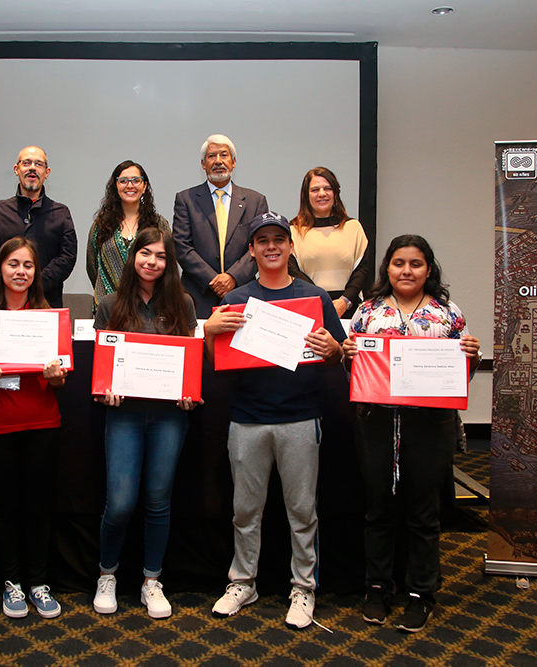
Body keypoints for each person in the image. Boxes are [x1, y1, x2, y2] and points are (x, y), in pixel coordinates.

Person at [202, 212, 346, 630]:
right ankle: (242, 582)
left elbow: (335, 356)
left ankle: (303, 588)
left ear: (289, 246)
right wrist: (210, 331)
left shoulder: (314, 296)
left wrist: (330, 348)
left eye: (278, 239)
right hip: (247, 420)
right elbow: (217, 364)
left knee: (302, 511)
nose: (271, 246)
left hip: (301, 418)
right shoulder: (235, 301)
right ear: (251, 249)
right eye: (262, 240)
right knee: (245, 510)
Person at [343, 234, 480, 633]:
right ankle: (376, 588)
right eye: (399, 263)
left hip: (429, 426)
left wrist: (471, 356)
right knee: (378, 509)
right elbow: (354, 373)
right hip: (377, 423)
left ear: (428, 269)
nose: (406, 270)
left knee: (424, 512)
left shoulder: (447, 312)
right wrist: (349, 357)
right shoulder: (368, 313)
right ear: (387, 268)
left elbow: (462, 375)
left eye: (415, 264)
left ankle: (421, 591)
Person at [91, 227, 199, 619]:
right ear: (133, 256)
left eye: (161, 256)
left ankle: (151, 582)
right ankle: (108, 575)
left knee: (158, 500)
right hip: (125, 415)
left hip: (170, 416)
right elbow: (102, 365)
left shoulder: (183, 304)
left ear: (169, 264)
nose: (152, 262)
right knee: (119, 503)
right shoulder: (109, 304)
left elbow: (190, 361)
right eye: (145, 253)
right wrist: (106, 390)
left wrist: (189, 393)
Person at [0, 237, 68, 620]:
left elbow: (60, 382)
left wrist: (56, 376)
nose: (20, 271)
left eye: (27, 265)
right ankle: (12, 583)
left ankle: (38, 584)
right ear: (0, 269)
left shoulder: (49, 318)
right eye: (13, 264)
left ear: (35, 272)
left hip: (42, 423)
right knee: (5, 508)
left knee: (39, 507)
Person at [173, 134, 269, 318]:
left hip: (242, 292)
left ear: (233, 162)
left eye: (224, 155)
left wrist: (233, 277)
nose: (218, 161)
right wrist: (213, 280)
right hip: (197, 295)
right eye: (211, 156)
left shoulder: (255, 201)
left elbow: (259, 247)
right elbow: (181, 246)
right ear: (203, 164)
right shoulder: (186, 199)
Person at [0, 145, 77, 308]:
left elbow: (67, 257)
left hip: (46, 304)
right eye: (27, 163)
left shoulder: (60, 213)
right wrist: (12, 280)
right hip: (5, 305)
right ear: (17, 169)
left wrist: (35, 283)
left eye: (39, 164)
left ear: (47, 172)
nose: (32, 168)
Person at [86, 160, 171, 314]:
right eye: (123, 181)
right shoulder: (101, 224)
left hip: (150, 307)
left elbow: (168, 263)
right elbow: (92, 266)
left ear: (144, 186)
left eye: (136, 181)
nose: (130, 186)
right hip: (108, 307)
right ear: (115, 186)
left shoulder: (159, 224)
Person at [288, 167, 371, 318]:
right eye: (315, 190)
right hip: (309, 307)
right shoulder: (292, 231)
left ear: (336, 193)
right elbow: (293, 273)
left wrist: (344, 302)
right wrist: (321, 300)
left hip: (349, 309)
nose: (322, 194)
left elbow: (362, 271)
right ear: (305, 195)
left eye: (327, 188)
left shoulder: (353, 227)